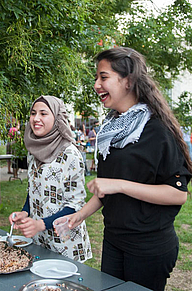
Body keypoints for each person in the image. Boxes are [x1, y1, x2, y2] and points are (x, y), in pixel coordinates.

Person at [61, 47, 192, 291]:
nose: (96, 84)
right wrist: (79, 216)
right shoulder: (111, 130)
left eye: (103, 77)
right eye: (96, 77)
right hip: (114, 241)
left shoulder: (157, 130)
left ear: (128, 80)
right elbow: (106, 190)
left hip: (148, 247)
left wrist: (119, 184)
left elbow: (178, 193)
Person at [9, 95, 92, 263]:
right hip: (40, 241)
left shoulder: (70, 154)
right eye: (33, 113)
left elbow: (76, 205)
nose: (36, 118)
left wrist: (41, 224)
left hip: (65, 243)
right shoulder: (33, 151)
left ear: (57, 118)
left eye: (43, 113)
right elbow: (33, 189)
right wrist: (25, 212)